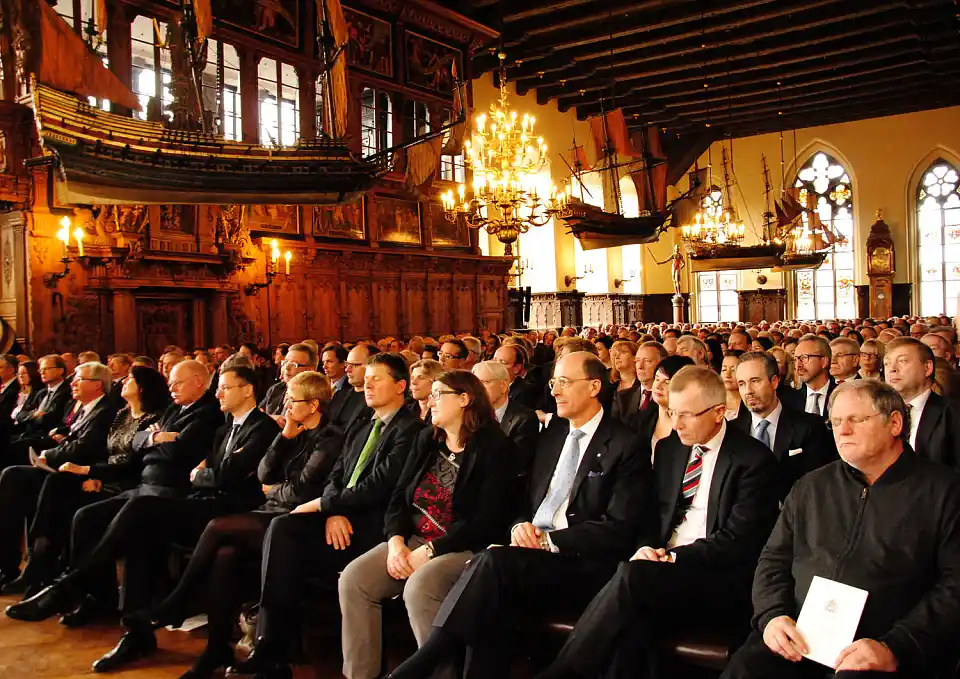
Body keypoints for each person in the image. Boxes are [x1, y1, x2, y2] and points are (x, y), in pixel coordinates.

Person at [385, 352, 653, 679]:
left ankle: (427, 659)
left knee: (491, 567)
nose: (554, 391)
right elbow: (524, 501)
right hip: (528, 555)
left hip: (580, 560)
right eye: (553, 383)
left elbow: (619, 527)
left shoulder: (626, 443)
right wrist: (519, 527)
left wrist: (549, 541)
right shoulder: (553, 435)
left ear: (594, 387)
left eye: (564, 382)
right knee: (490, 592)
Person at [517, 366, 781, 679]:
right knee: (631, 623)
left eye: (687, 415)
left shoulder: (753, 460)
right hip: (659, 569)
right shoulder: (670, 448)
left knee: (632, 581)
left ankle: (561, 673)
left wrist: (672, 557)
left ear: (718, 412)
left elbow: (738, 540)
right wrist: (646, 547)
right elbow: (651, 516)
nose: (677, 423)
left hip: (715, 575)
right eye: (672, 412)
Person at [100, 371, 346, 678]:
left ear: (313, 405)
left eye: (292, 401)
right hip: (271, 511)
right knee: (224, 556)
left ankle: (177, 603)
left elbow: (300, 491)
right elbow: (265, 473)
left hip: (295, 520)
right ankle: (215, 649)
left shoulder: (329, 438)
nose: (285, 407)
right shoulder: (292, 433)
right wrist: (284, 438)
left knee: (217, 526)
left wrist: (274, 489)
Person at [722, 380, 960, 679]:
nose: (842, 430)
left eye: (855, 420)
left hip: (884, 645)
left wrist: (896, 647)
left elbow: (954, 587)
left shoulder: (944, 491)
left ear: (895, 423)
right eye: (835, 422)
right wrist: (772, 616)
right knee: (747, 667)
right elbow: (773, 560)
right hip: (799, 636)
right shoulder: (811, 486)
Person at [228, 355, 426, 679]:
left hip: (375, 525)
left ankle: (273, 649)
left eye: (377, 379)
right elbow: (337, 473)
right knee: (282, 530)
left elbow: (380, 486)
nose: (367, 384)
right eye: (367, 378)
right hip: (343, 515)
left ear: (400, 385)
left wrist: (325, 506)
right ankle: (271, 648)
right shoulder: (363, 423)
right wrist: (333, 509)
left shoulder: (411, 429)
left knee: (284, 537)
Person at [5, 360, 225, 623]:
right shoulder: (174, 410)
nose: (172, 388)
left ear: (199, 382)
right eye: (170, 383)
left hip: (170, 492)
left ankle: (68, 587)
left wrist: (152, 441)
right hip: (143, 487)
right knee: (85, 516)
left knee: (132, 515)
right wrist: (154, 439)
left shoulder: (208, 412)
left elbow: (177, 452)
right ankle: (97, 597)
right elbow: (137, 444)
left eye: (177, 383)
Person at [334, 370, 518, 679]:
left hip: (464, 548)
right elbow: (398, 498)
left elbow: (485, 521)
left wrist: (432, 550)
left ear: (464, 399)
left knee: (421, 586)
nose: (430, 402)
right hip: (415, 540)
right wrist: (395, 542)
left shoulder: (495, 448)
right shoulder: (427, 439)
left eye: (437, 395)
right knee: (355, 579)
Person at [2, 367, 171, 602]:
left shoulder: (152, 418)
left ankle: (50, 570)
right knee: (35, 479)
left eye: (130, 379)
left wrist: (91, 472)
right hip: (105, 474)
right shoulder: (122, 414)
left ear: (143, 387)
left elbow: (131, 464)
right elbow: (106, 453)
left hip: (125, 483)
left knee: (64, 493)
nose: (123, 382)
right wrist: (93, 474)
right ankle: (35, 561)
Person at [0, 362, 116, 587]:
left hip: (82, 472)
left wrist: (48, 454)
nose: (73, 383)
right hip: (62, 466)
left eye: (79, 379)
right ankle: (7, 563)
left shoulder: (106, 410)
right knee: (11, 476)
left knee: (43, 484)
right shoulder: (84, 407)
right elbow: (71, 436)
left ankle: (39, 562)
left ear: (97, 385)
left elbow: (86, 447)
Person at [732, 351, 836, 499]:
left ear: (774, 382)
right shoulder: (732, 431)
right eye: (742, 384)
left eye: (755, 381)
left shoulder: (810, 426)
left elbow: (818, 485)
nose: (748, 391)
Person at [883, 336, 960, 468]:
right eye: (887, 363)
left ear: (927, 368)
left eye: (902, 361)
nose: (892, 369)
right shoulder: (878, 412)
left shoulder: (953, 414)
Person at [472, 360, 539, 480]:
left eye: (484, 382)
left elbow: (517, 465)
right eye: (475, 384)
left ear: (503, 385)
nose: (477, 390)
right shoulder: (469, 414)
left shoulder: (524, 419)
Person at [644, 356, 695, 462]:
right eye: (657, 379)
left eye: (667, 382)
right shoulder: (643, 419)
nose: (658, 386)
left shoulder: (689, 427)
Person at [793, 334, 835, 419]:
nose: (798, 365)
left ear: (824, 362)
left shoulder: (841, 396)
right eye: (795, 359)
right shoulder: (790, 400)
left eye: (804, 358)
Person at [407, 359, 444, 424]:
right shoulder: (406, 409)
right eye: (412, 378)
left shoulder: (443, 412)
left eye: (421, 378)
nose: (413, 382)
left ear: (435, 381)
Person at [721, 350, 744, 421]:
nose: (727, 375)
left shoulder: (749, 403)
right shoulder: (713, 401)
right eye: (724, 369)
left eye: (733, 370)